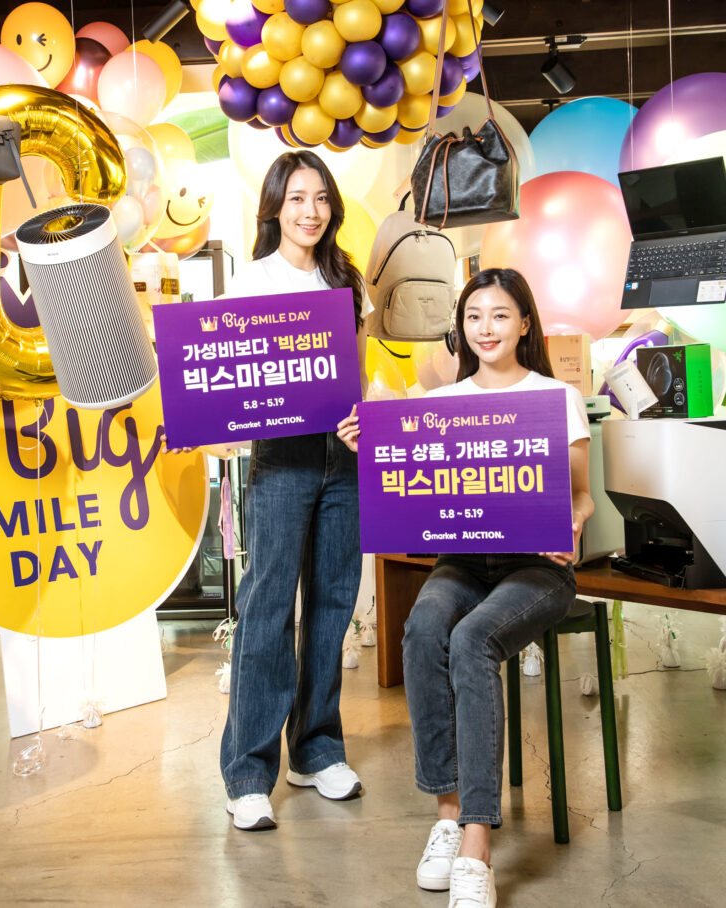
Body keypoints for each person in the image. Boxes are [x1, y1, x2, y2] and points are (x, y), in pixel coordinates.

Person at [337, 268, 593, 907]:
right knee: (423, 628)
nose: (486, 328)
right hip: (463, 561)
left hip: (537, 569)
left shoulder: (556, 397)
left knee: (473, 638)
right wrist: (368, 447)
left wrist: (572, 526)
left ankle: (477, 845)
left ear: (524, 324)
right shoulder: (440, 402)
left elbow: (582, 496)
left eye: (500, 315)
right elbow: (409, 476)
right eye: (474, 316)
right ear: (461, 327)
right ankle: (448, 818)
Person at [218, 151, 372, 832]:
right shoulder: (252, 281)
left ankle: (317, 750)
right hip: (281, 459)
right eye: (297, 199)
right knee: (268, 607)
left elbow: (355, 376)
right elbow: (233, 376)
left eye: (321, 198)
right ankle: (248, 773)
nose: (311, 211)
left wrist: (362, 418)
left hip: (343, 459)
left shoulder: (347, 280)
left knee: (334, 604)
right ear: (275, 208)